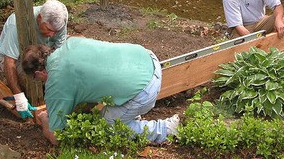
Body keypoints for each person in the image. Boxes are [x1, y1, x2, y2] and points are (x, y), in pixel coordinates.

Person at [21, 37, 180, 145]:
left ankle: (166, 129)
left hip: (145, 89)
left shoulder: (56, 81)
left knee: (107, 128)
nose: (40, 82)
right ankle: (130, 114)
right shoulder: (71, 43)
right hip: (148, 59)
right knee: (109, 108)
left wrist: (44, 120)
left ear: (39, 73)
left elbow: (57, 138)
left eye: (37, 80)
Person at [0, 0, 68, 119]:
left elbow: (60, 53)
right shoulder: (17, 23)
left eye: (56, 32)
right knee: (31, 77)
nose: (52, 35)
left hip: (42, 53)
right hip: (18, 58)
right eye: (49, 30)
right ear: (39, 18)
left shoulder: (59, 23)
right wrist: (19, 97)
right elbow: (10, 61)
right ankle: (30, 98)